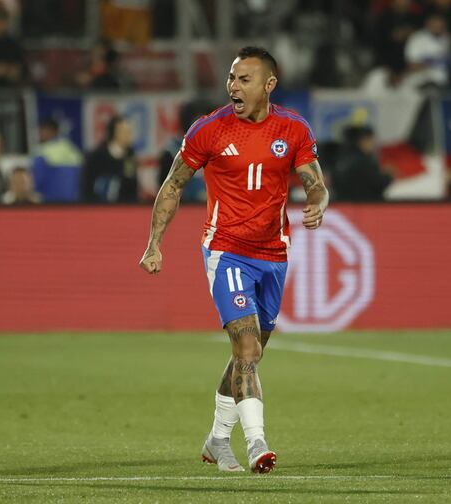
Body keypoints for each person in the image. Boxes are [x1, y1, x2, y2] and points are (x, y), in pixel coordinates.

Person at [139, 47, 329, 474]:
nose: (234, 86)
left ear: (269, 85)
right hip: (226, 251)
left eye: (244, 79)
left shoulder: (293, 128)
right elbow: (172, 185)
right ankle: (258, 443)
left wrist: (318, 203)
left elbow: (315, 182)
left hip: (274, 253)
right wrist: (155, 243)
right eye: (231, 78)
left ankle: (217, 439)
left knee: (250, 354)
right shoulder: (209, 129)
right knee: (246, 345)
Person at [81, 115, 138, 203]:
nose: (129, 135)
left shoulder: (130, 155)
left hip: (124, 207)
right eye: (125, 132)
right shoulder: (97, 156)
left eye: (129, 132)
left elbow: (132, 182)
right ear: (115, 132)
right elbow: (87, 185)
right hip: (99, 206)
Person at [332, 125, 393, 201]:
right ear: (363, 140)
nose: (374, 144)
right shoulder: (365, 161)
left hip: (343, 206)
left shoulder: (339, 159)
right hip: (366, 206)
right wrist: (389, 175)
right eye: (371, 140)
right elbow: (377, 184)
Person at [31, 119, 83, 202]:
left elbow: (37, 180)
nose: (40, 134)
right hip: (73, 202)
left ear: (51, 131)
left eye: (41, 131)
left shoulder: (41, 152)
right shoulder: (72, 149)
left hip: (50, 203)